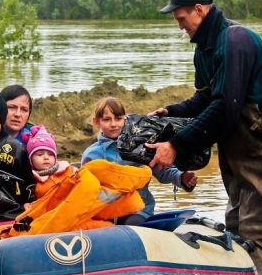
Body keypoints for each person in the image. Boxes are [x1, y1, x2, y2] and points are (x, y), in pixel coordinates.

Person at [148, 0, 262, 275]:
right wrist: (172, 112)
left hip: (259, 141)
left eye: (181, 18)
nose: (180, 26)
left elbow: (226, 107)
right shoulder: (205, 47)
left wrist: (177, 145)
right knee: (236, 227)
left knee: (257, 236)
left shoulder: (234, 41)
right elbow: (206, 99)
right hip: (235, 145)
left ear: (200, 9)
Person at [83, 96, 197, 225]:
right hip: (104, 211)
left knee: (132, 224)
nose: (113, 124)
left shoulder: (140, 147)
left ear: (125, 119)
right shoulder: (91, 155)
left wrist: (181, 177)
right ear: (96, 122)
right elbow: (85, 188)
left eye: (118, 118)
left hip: (138, 210)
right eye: (107, 119)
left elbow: (163, 172)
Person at [23, 124, 77, 199]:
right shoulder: (29, 179)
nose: (46, 158)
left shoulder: (67, 170)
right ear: (30, 159)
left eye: (50, 154)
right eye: (40, 154)